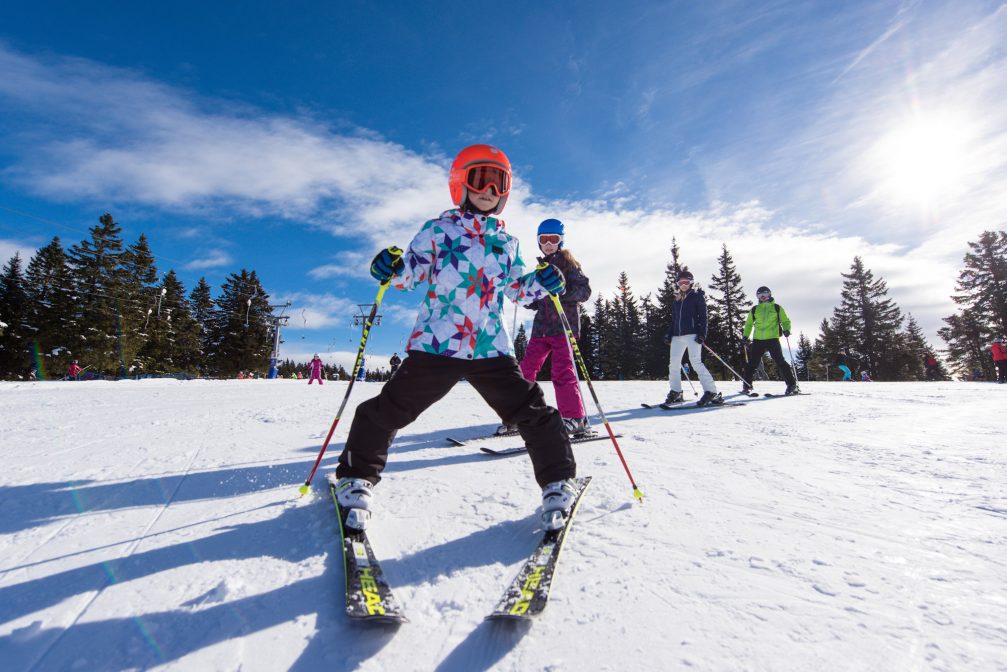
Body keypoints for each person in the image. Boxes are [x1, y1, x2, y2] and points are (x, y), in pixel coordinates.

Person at [331, 144, 576, 532]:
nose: (490, 190)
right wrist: (389, 268)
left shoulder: (507, 243)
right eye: (482, 179)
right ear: (460, 183)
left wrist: (543, 283)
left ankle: (558, 481)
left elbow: (518, 290)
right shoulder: (437, 231)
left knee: (533, 411)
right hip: (438, 343)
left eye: (500, 183)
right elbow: (408, 273)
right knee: (387, 411)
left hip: (488, 347)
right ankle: (356, 477)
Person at [503, 218, 593, 436]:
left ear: (561, 241)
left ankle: (574, 417)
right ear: (539, 242)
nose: (549, 243)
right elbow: (540, 300)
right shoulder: (541, 268)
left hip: (564, 326)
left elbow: (584, 291)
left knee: (562, 372)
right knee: (525, 372)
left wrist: (563, 291)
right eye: (544, 240)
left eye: (554, 239)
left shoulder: (570, 264)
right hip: (541, 329)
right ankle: (520, 415)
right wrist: (526, 299)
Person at [663, 269, 722, 406]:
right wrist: (669, 333)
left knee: (696, 363)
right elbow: (674, 320)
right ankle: (676, 391)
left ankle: (711, 392)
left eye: (686, 282)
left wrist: (702, 334)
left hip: (692, 335)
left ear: (691, 283)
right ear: (677, 283)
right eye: (681, 282)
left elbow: (703, 317)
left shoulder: (696, 296)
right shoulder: (677, 299)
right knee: (674, 364)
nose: (684, 284)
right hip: (677, 336)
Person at [741, 286, 800, 394]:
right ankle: (747, 385)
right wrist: (745, 336)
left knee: (780, 362)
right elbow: (748, 324)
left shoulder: (777, 308)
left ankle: (791, 385)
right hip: (758, 339)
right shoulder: (755, 309)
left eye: (765, 294)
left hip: (772, 338)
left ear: (769, 295)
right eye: (759, 295)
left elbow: (785, 321)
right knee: (752, 363)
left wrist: (787, 329)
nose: (762, 297)